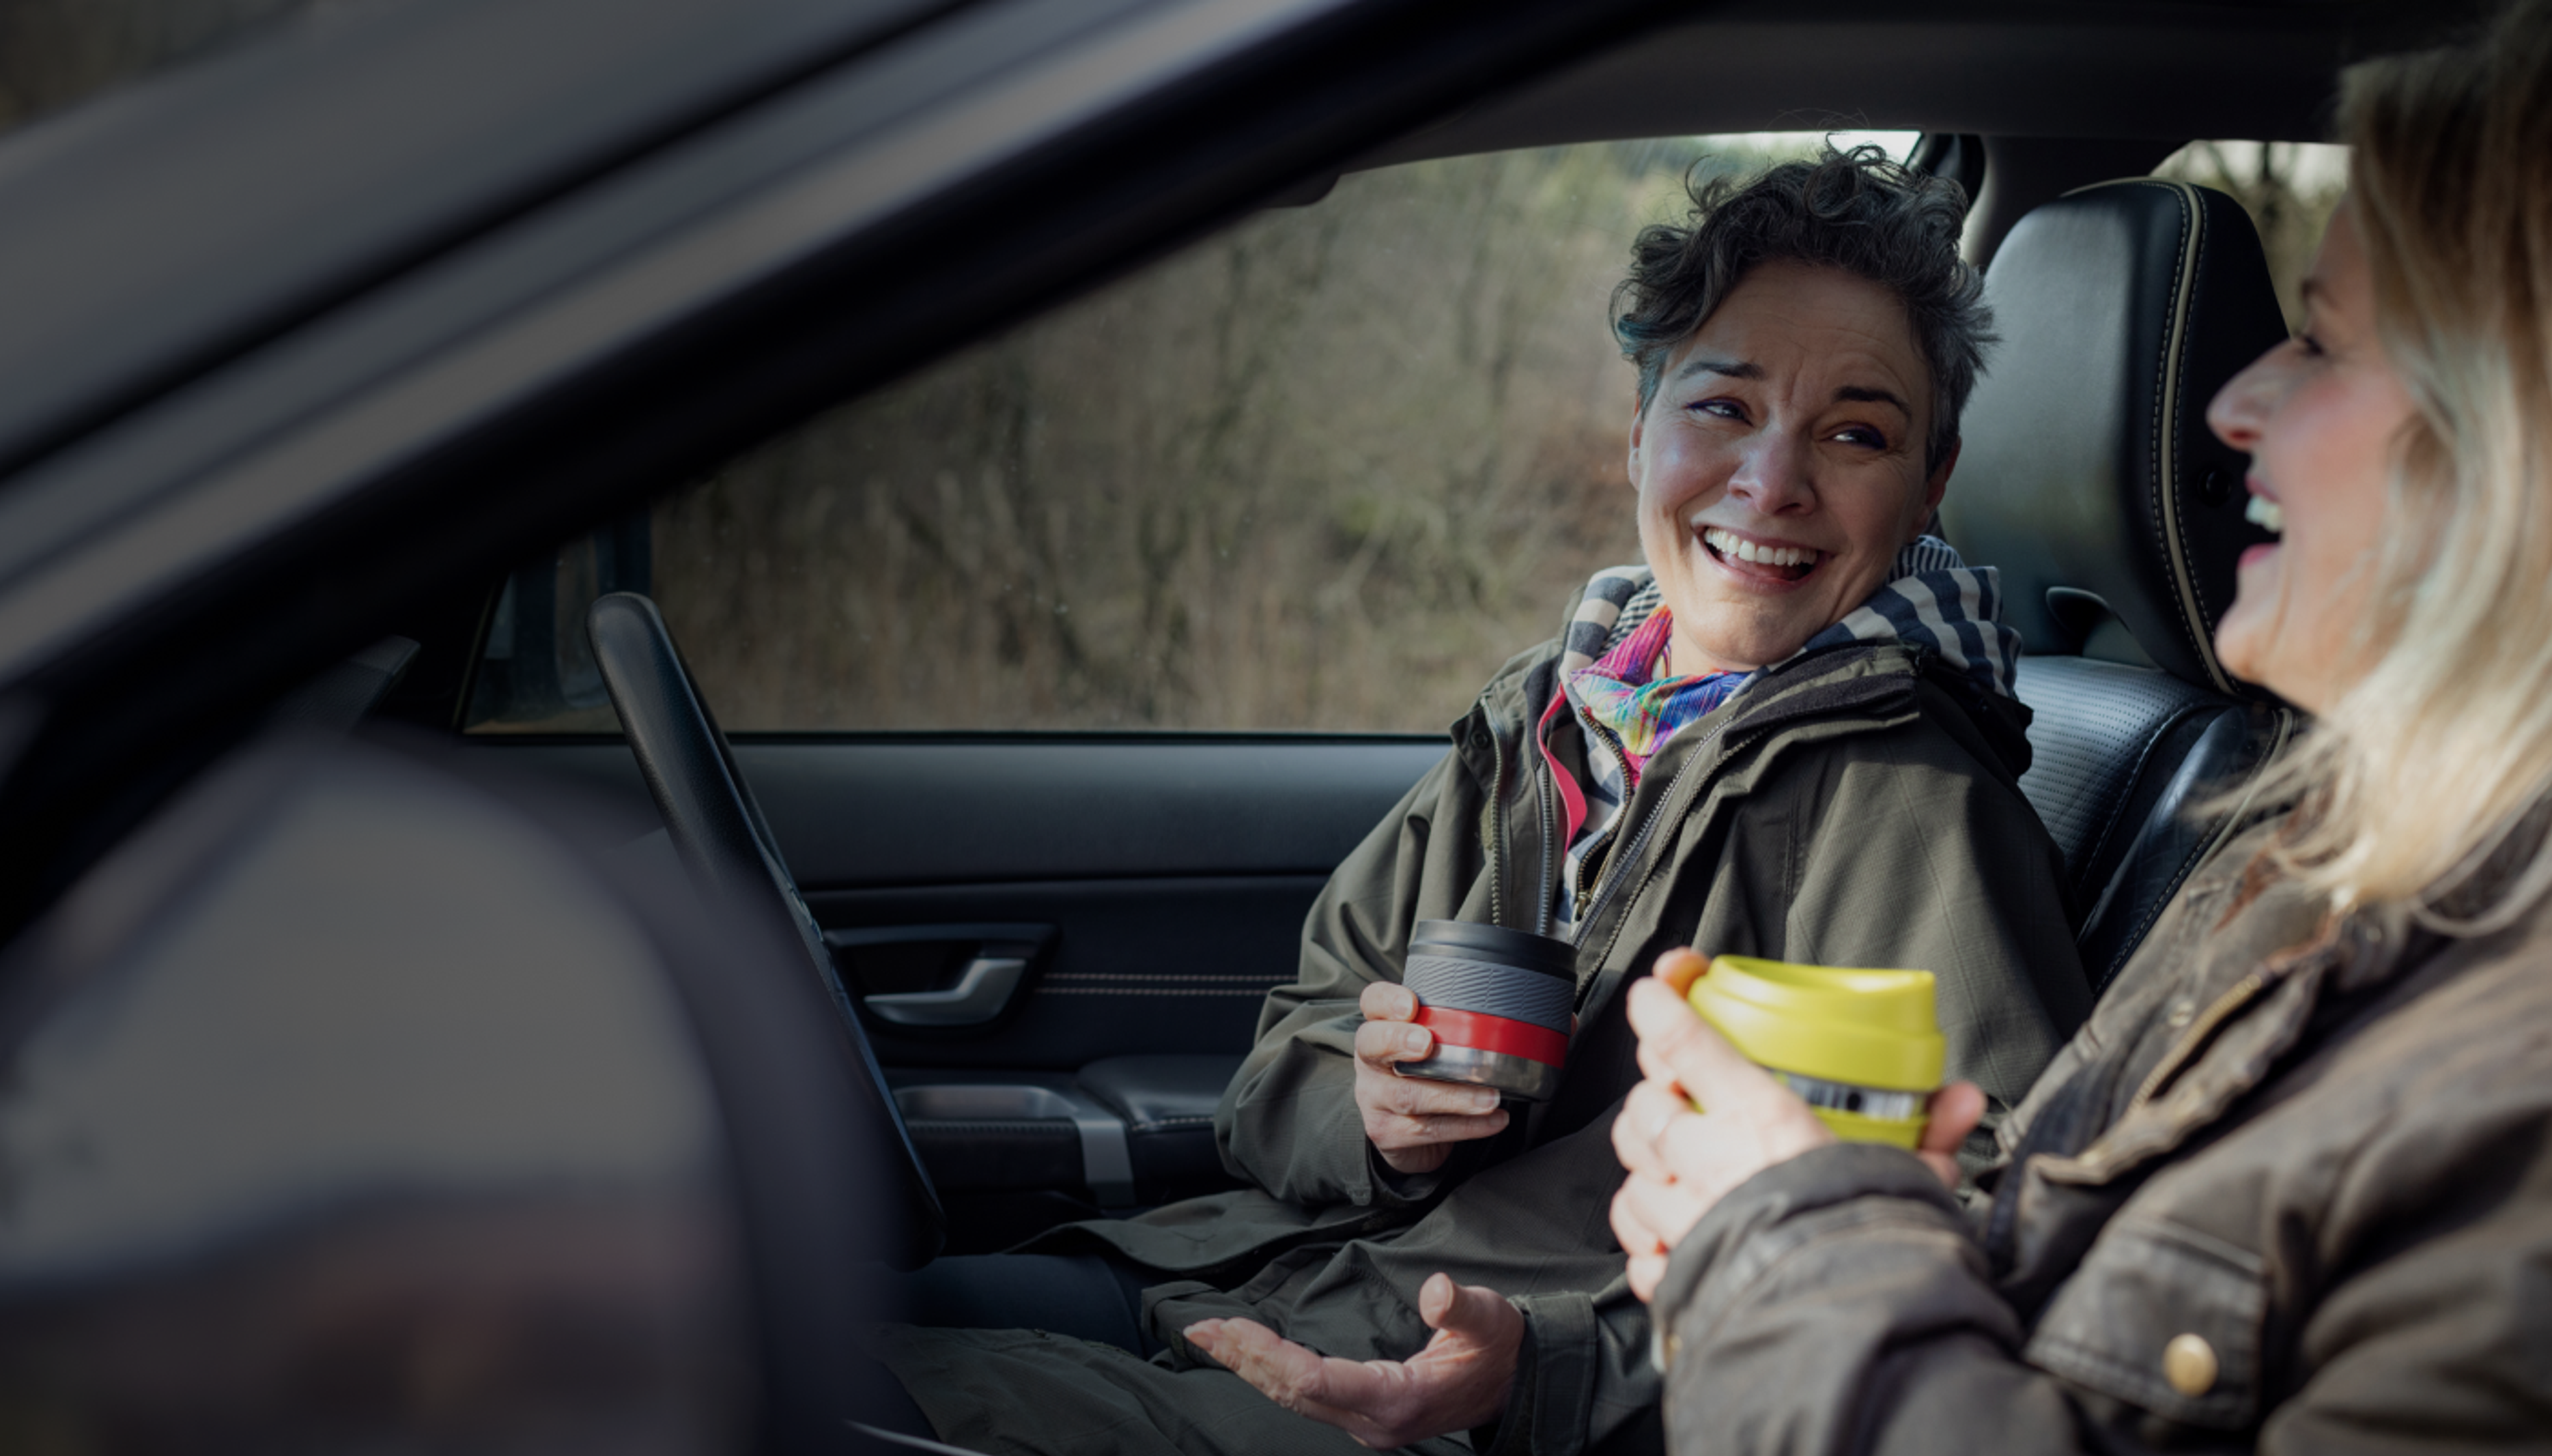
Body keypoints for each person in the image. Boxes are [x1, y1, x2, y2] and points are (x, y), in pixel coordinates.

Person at [868, 147, 2093, 1456]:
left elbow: (1963, 1232)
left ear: (1931, 484)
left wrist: (1550, 1369)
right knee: (801, 1320)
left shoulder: (1913, 799)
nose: (1773, 480)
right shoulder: (1548, 714)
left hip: (1472, 1394)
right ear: (1640, 431)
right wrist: (1371, 1117)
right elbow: (1296, 1039)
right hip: (1264, 1269)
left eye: (1856, 434)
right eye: (1723, 407)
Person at [1602, 8, 2552, 1449]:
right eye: (1722, 406)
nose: (2236, 401)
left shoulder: (2505, 1080)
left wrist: (1782, 1247)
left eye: (2324, 343)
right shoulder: (2316, 862)